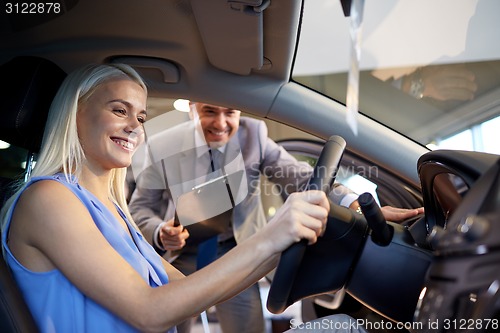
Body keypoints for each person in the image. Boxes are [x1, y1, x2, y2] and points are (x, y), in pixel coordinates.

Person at [0, 63, 368, 333]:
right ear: (75, 113)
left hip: (229, 248)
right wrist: (271, 236)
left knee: (342, 326)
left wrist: (301, 235)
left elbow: (299, 176)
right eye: (119, 110)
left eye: (141, 116)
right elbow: (149, 311)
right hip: (192, 254)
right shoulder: (49, 199)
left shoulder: (111, 210)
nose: (134, 126)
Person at [128, 101, 424, 332]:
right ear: (192, 107)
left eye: (229, 112)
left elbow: (301, 177)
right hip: (182, 254)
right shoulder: (162, 145)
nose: (221, 123)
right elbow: (140, 208)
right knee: (167, 326)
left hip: (236, 249)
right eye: (209, 112)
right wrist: (159, 232)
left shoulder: (254, 135)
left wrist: (356, 204)